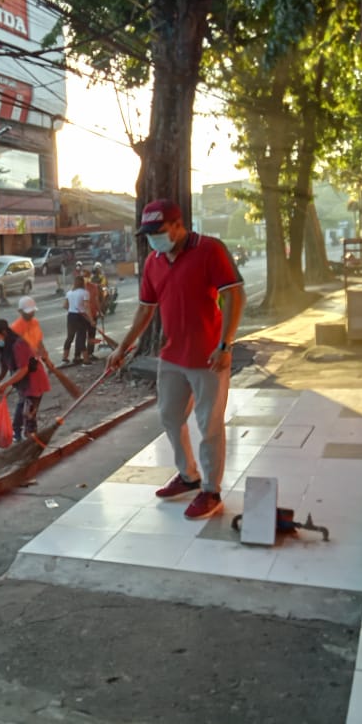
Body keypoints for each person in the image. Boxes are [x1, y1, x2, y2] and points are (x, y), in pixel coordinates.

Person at [106, 199, 246, 521]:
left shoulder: (210, 249)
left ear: (178, 225)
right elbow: (146, 308)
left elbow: (234, 294)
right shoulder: (154, 262)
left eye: (159, 231)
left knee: (209, 424)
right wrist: (123, 347)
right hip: (171, 356)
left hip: (210, 355)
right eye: (149, 233)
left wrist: (225, 345)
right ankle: (188, 476)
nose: (154, 238)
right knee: (169, 416)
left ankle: (210, 490)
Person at [0, 319, 51, 443]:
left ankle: (32, 443)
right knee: (21, 406)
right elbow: (4, 367)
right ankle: (17, 434)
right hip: (22, 384)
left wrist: (5, 384)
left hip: (34, 382)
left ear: (4, 332)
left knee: (29, 415)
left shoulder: (19, 344)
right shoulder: (4, 348)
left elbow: (23, 369)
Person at [62, 275, 94, 365]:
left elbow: (65, 306)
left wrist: (72, 309)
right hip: (81, 317)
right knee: (81, 337)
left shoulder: (69, 293)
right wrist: (91, 320)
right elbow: (87, 307)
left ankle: (65, 358)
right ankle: (86, 359)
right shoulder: (85, 293)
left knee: (70, 337)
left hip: (71, 316)